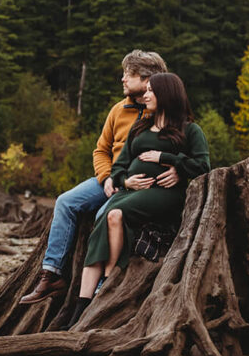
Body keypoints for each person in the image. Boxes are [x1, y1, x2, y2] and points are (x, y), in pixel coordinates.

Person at [17, 50, 168, 305]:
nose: (122, 79)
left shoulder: (164, 110)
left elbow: (179, 147)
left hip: (139, 185)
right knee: (65, 201)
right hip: (111, 179)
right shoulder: (119, 110)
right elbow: (101, 150)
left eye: (127, 74)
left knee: (102, 217)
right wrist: (107, 177)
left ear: (146, 79)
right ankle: (52, 274)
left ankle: (101, 284)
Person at [77, 71, 209, 299]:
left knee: (116, 212)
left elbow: (203, 166)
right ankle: (87, 297)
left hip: (165, 194)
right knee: (109, 217)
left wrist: (166, 158)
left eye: (150, 91)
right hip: (131, 191)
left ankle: (107, 284)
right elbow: (119, 166)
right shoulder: (139, 128)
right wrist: (126, 180)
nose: (146, 96)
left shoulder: (189, 130)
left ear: (166, 94)